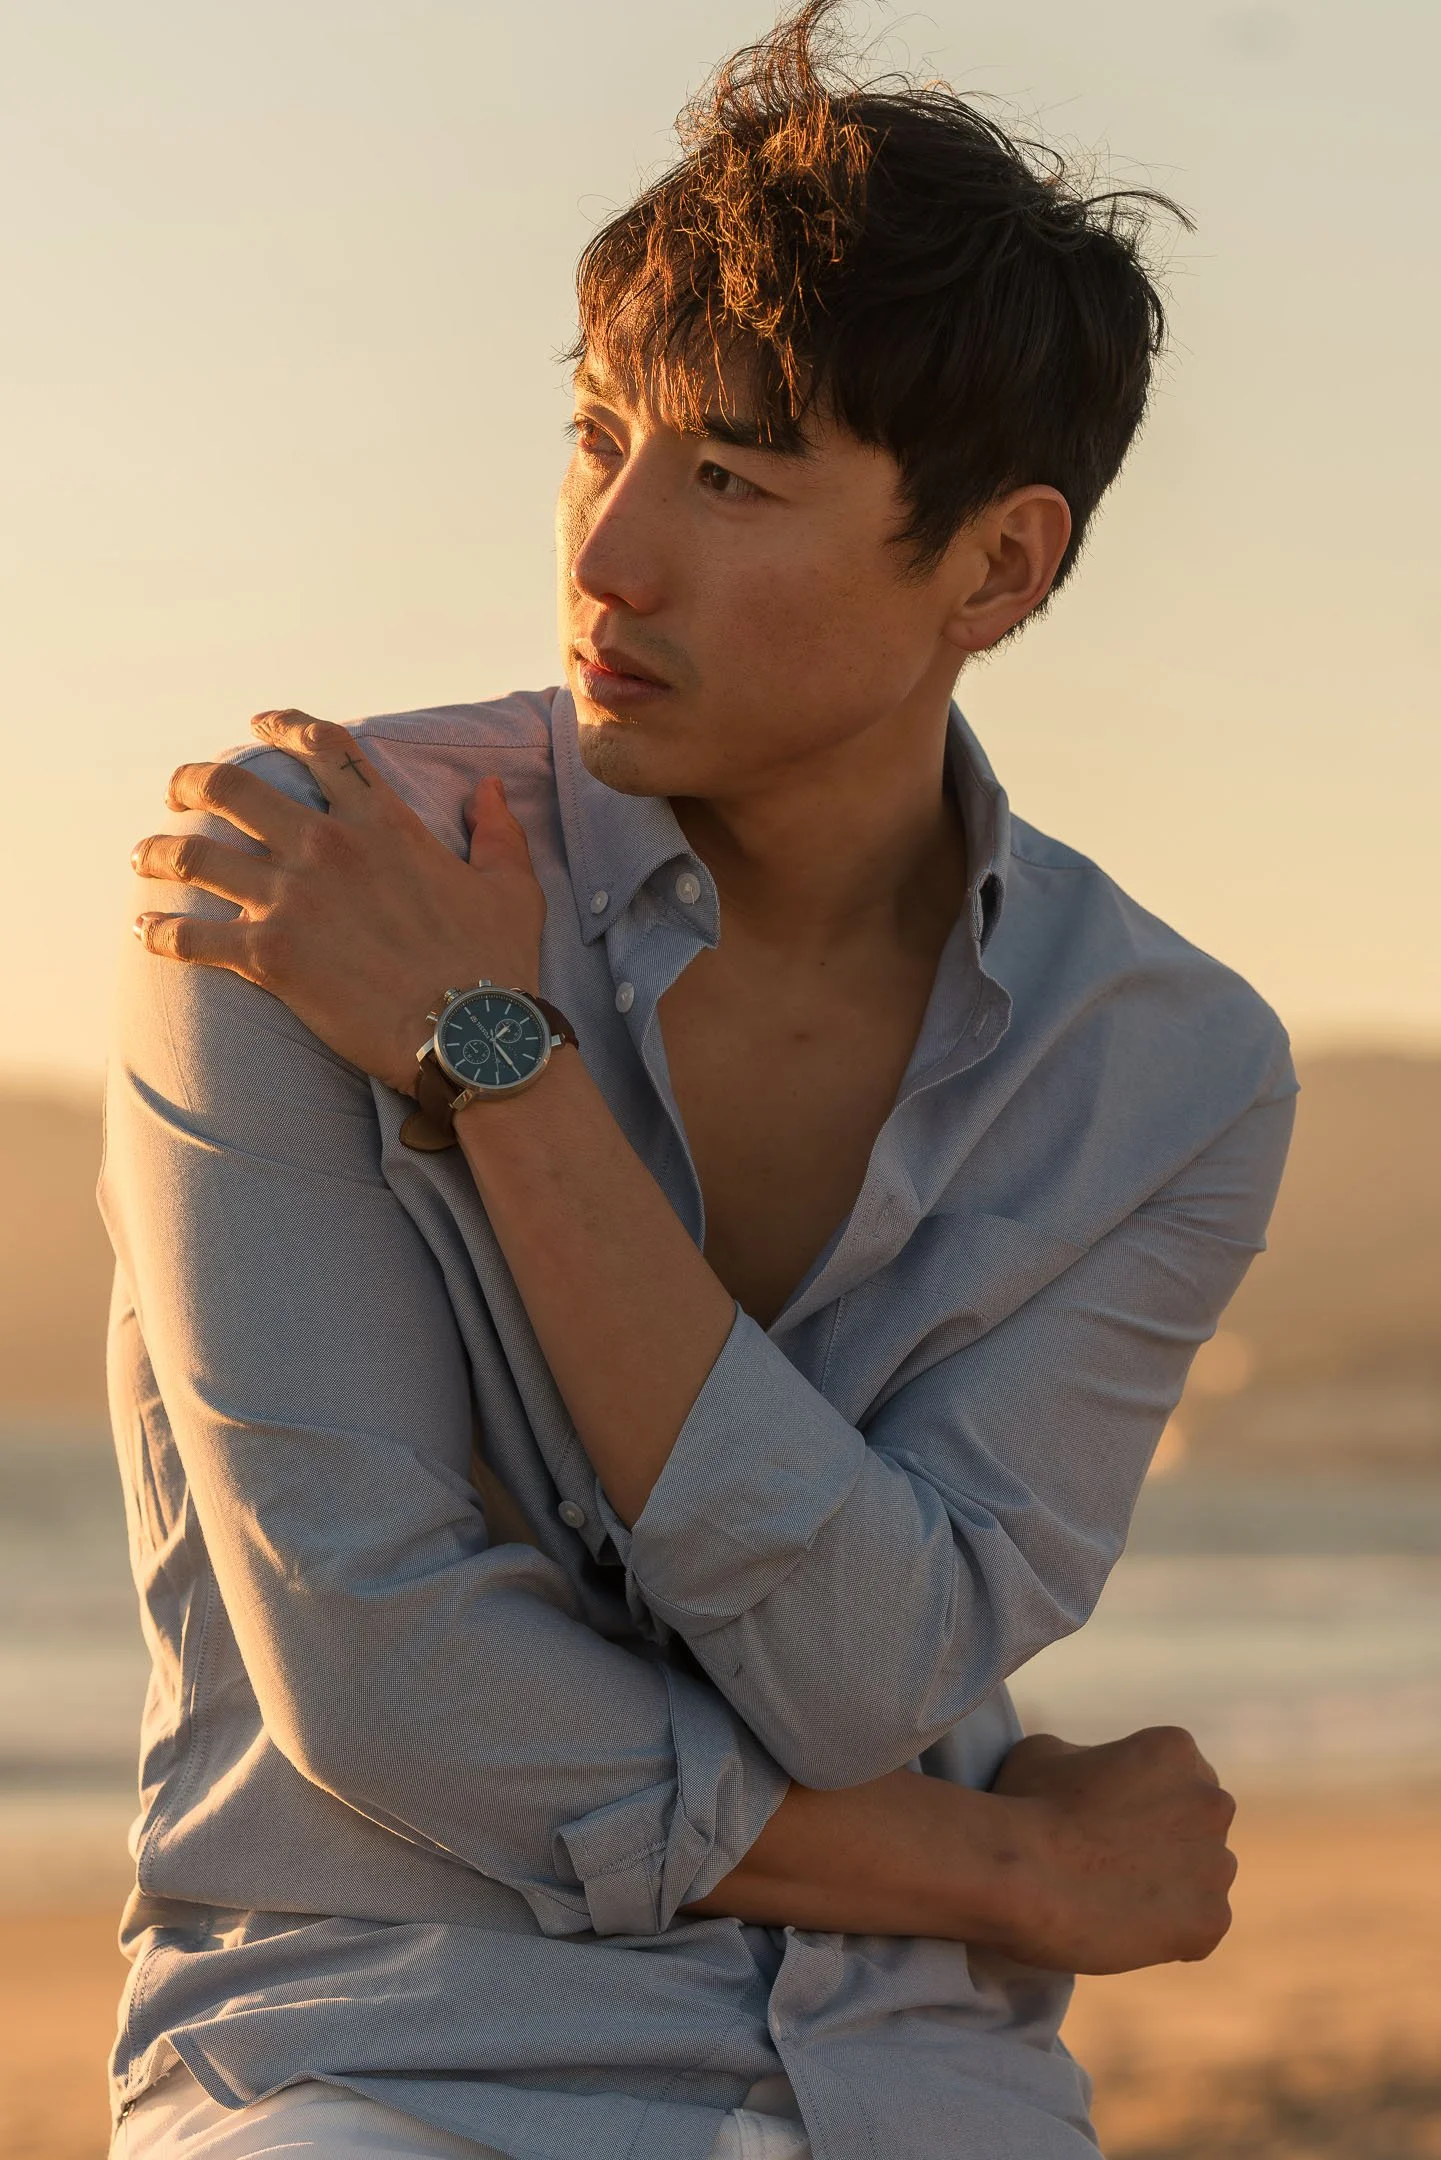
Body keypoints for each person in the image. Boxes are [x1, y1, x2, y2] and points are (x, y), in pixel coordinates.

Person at [102, 6, 1295, 2155]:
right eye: (597, 438)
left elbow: (865, 1677)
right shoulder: (310, 877)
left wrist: (506, 1075)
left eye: (730, 477)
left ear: (999, 568)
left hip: (919, 2086)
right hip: (394, 2066)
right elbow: (388, 1678)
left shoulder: (1166, 1075)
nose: (606, 554)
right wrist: (1004, 1872)